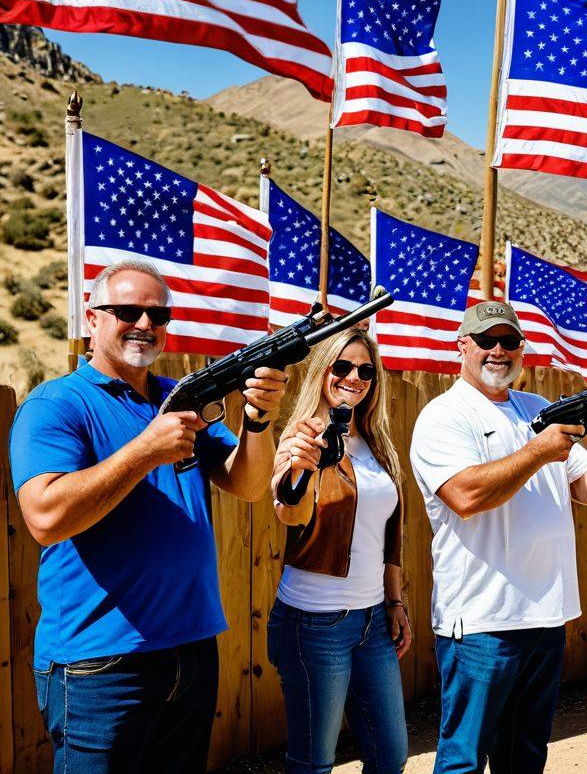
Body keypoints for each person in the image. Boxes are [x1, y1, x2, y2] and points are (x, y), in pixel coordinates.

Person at [8, 260, 287, 773]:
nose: (145, 324)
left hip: (192, 646)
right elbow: (44, 518)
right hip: (99, 661)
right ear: (92, 319)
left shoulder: (175, 399)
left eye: (158, 314)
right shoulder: (57, 405)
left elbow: (247, 485)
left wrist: (258, 420)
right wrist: (143, 451)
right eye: (128, 311)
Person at [409, 300, 587, 774]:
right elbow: (464, 495)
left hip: (545, 615)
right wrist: (538, 451)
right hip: (482, 620)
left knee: (525, 755)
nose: (498, 351)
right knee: (463, 759)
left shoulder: (539, 409)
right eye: (486, 341)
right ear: (462, 346)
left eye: (509, 341)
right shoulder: (443, 416)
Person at [267, 330, 410, 774]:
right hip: (315, 622)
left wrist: (394, 601)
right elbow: (288, 511)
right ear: (322, 370)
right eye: (342, 366)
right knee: (314, 764)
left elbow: (388, 534)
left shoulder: (375, 441)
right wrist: (306, 468)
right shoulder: (301, 436)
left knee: (390, 757)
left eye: (366, 370)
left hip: (371, 622)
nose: (354, 377)